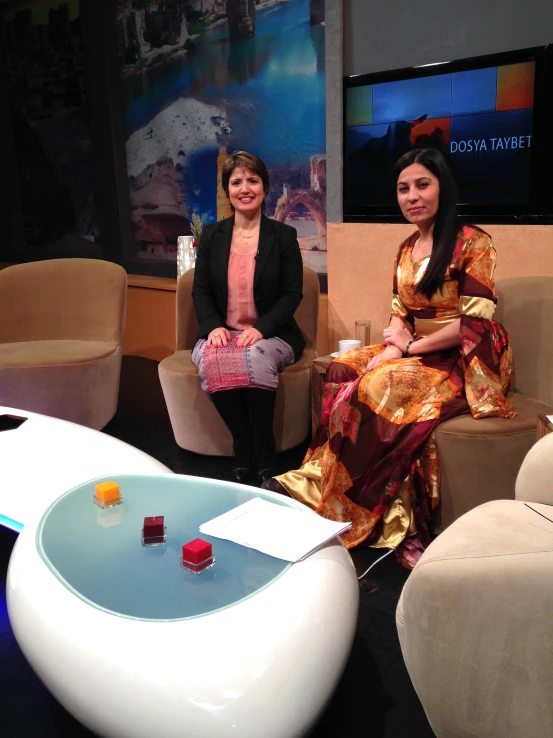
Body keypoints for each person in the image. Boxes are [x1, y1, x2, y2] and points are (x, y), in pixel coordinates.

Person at [263, 147, 515, 567]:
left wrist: (407, 350)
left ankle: (354, 506)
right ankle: (316, 480)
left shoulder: (474, 242)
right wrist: (394, 347)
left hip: (468, 355)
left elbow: (474, 324)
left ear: (443, 188)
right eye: (403, 189)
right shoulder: (407, 246)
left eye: (422, 185)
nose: (412, 196)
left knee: (379, 383)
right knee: (343, 367)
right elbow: (399, 310)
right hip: (414, 347)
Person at [192, 151, 305, 485]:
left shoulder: (283, 236)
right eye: (236, 181)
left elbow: (292, 294)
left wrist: (262, 329)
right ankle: (243, 442)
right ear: (228, 191)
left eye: (252, 181)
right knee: (212, 359)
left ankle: (265, 445)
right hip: (223, 330)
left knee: (254, 356)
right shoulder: (212, 236)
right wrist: (213, 326)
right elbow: (201, 290)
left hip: (273, 332)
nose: (245, 188)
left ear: (265, 188)